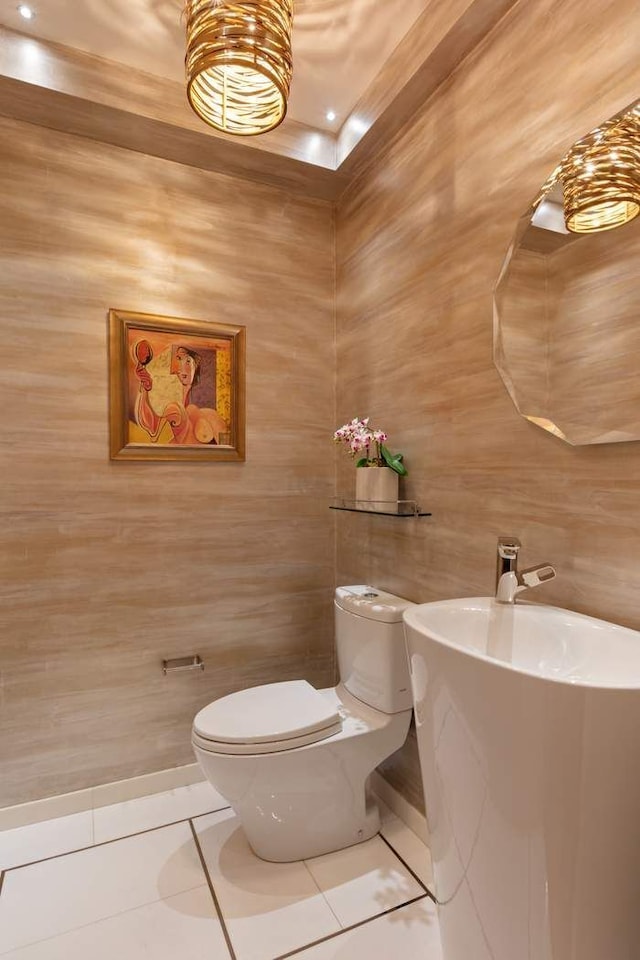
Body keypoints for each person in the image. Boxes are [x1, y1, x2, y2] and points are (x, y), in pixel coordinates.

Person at [133, 342, 228, 445]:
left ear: (196, 366)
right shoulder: (173, 405)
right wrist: (144, 389)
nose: (182, 367)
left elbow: (225, 447)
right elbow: (154, 430)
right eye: (179, 359)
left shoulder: (206, 410)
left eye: (188, 361)